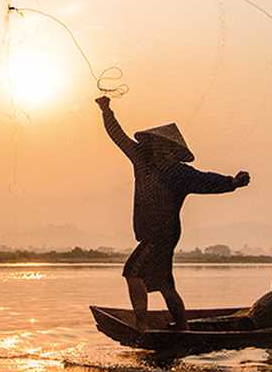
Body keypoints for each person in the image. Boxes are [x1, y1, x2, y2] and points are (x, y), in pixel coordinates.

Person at [98, 94, 249, 330]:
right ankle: (182, 327)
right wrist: (106, 110)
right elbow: (118, 136)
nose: (156, 149)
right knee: (166, 284)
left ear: (171, 151)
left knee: (132, 272)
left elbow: (208, 181)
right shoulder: (142, 160)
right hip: (152, 234)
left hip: (164, 234)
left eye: (161, 147)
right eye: (154, 146)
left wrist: (233, 182)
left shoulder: (179, 174)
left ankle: (142, 325)